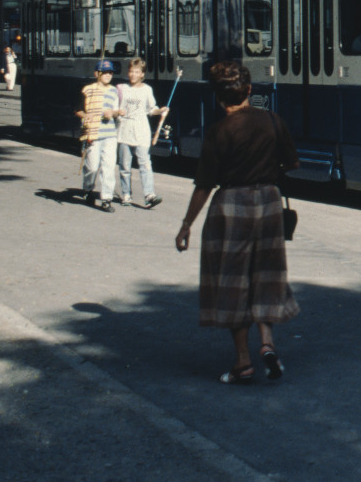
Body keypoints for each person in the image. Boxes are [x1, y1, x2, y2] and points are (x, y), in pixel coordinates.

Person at [176, 61, 298, 385]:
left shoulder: (219, 132)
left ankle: (243, 361)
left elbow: (204, 185)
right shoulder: (273, 120)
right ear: (249, 90)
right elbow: (291, 162)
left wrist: (186, 223)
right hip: (269, 202)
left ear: (218, 97)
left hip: (231, 205)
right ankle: (268, 343)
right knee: (265, 273)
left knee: (232, 281)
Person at [115, 58, 166, 208]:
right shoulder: (121, 88)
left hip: (141, 130)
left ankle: (149, 194)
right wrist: (118, 112)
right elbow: (115, 107)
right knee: (125, 165)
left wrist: (160, 110)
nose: (133, 74)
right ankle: (126, 194)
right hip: (124, 130)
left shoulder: (147, 89)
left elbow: (151, 109)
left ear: (142, 74)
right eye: (131, 71)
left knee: (145, 164)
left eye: (136, 72)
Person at [76, 59, 123, 212]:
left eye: (111, 72)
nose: (108, 75)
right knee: (92, 166)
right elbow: (78, 109)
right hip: (93, 133)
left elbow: (116, 111)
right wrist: (85, 116)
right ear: (97, 73)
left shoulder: (114, 91)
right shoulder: (88, 90)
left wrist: (114, 113)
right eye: (105, 72)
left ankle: (106, 199)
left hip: (109, 134)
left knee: (108, 167)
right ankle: (88, 189)